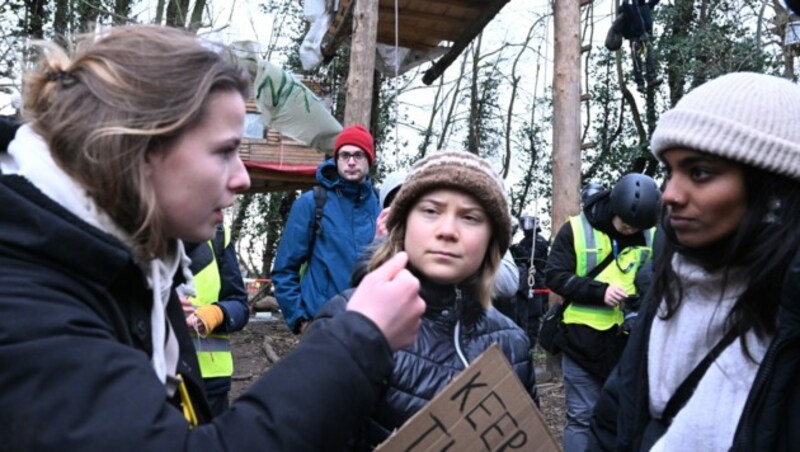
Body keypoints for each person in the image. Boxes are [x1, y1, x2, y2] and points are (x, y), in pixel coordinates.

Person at [0, 25, 425, 450]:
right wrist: (356, 339)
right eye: (224, 151)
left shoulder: (136, 263)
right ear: (137, 146)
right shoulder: (23, 303)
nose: (242, 179)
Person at [590, 72, 800, 451]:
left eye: (699, 172)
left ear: (773, 186)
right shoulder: (666, 285)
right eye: (670, 171)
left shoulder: (788, 319)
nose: (669, 194)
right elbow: (612, 422)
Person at [313, 150, 537, 450]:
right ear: (402, 224)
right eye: (431, 211)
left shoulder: (513, 343)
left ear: (492, 240)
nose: (447, 231)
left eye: (470, 217)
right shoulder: (347, 317)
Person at [545, 173, 660, 452]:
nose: (631, 230)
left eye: (637, 227)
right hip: (580, 341)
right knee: (582, 418)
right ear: (612, 206)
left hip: (628, 346)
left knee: (624, 419)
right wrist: (600, 292)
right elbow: (555, 276)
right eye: (625, 224)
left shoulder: (653, 234)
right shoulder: (576, 229)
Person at [272, 124, 381, 334]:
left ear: (369, 160)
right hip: (322, 324)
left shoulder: (381, 206)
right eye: (344, 155)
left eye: (358, 155)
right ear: (336, 159)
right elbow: (284, 269)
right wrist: (301, 319)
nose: (351, 161)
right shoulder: (312, 203)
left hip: (371, 326)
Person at [182, 224, 249, 416]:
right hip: (151, 374)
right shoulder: (133, 226)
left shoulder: (218, 234)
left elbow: (239, 305)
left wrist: (215, 314)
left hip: (210, 380)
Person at [510, 214, 550, 350]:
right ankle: (521, 344)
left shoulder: (539, 241)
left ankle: (530, 346)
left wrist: (518, 250)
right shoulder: (524, 241)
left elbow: (532, 258)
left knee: (532, 317)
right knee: (521, 316)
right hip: (523, 286)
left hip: (536, 284)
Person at [617, 0, 662, 92]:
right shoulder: (631, 8)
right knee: (637, 62)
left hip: (645, 37)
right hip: (635, 39)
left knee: (650, 57)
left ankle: (651, 79)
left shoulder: (646, 6)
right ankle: (640, 83)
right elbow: (625, 4)